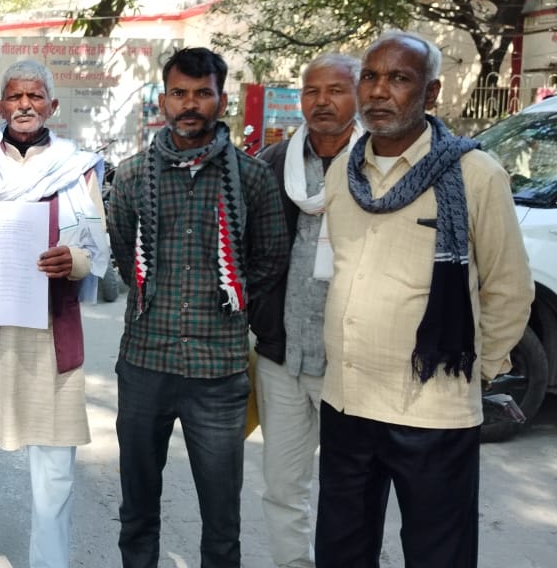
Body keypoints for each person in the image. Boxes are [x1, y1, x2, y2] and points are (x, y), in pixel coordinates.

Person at [315, 30, 532, 568]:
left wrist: (477, 371)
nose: (378, 91)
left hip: (433, 410)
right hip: (346, 403)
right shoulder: (344, 171)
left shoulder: (475, 175)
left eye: (399, 78)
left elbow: (508, 290)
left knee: (439, 556)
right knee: (340, 553)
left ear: (430, 93)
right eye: (370, 77)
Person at [107, 47, 289, 568]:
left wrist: (226, 300)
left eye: (202, 93)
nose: (190, 104)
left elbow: (270, 259)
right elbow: (126, 258)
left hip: (218, 372)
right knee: (137, 509)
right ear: (164, 100)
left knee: (222, 520)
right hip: (145, 363)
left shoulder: (252, 177)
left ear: (221, 99)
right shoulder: (133, 176)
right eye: (179, 93)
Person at [0, 59, 109, 568]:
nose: (25, 105)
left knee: (54, 473)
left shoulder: (76, 169)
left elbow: (95, 248)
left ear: (51, 106)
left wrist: (72, 259)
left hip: (50, 336)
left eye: (35, 96)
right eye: (15, 96)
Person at [248, 54, 362, 567]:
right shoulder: (275, 164)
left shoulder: (377, 166)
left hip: (349, 363)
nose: (322, 101)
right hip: (282, 358)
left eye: (336, 89)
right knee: (282, 487)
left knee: (350, 491)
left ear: (358, 94)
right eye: (312, 91)